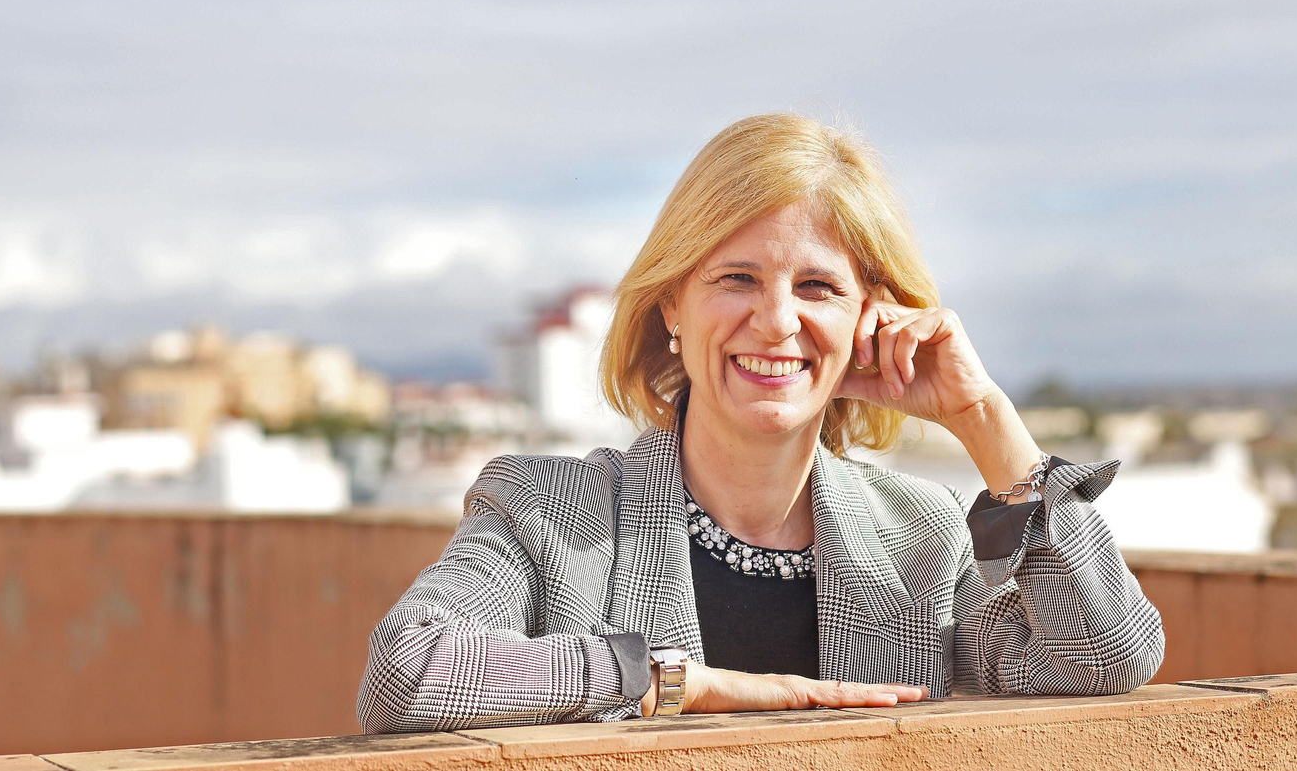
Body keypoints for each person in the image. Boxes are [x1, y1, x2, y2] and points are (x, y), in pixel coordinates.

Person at [358, 113, 1164, 732]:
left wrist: (987, 420)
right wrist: (668, 679)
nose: (776, 321)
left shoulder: (922, 538)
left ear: (868, 318)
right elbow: (406, 670)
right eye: (737, 278)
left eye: (817, 287)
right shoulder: (545, 510)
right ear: (673, 303)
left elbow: (1106, 655)